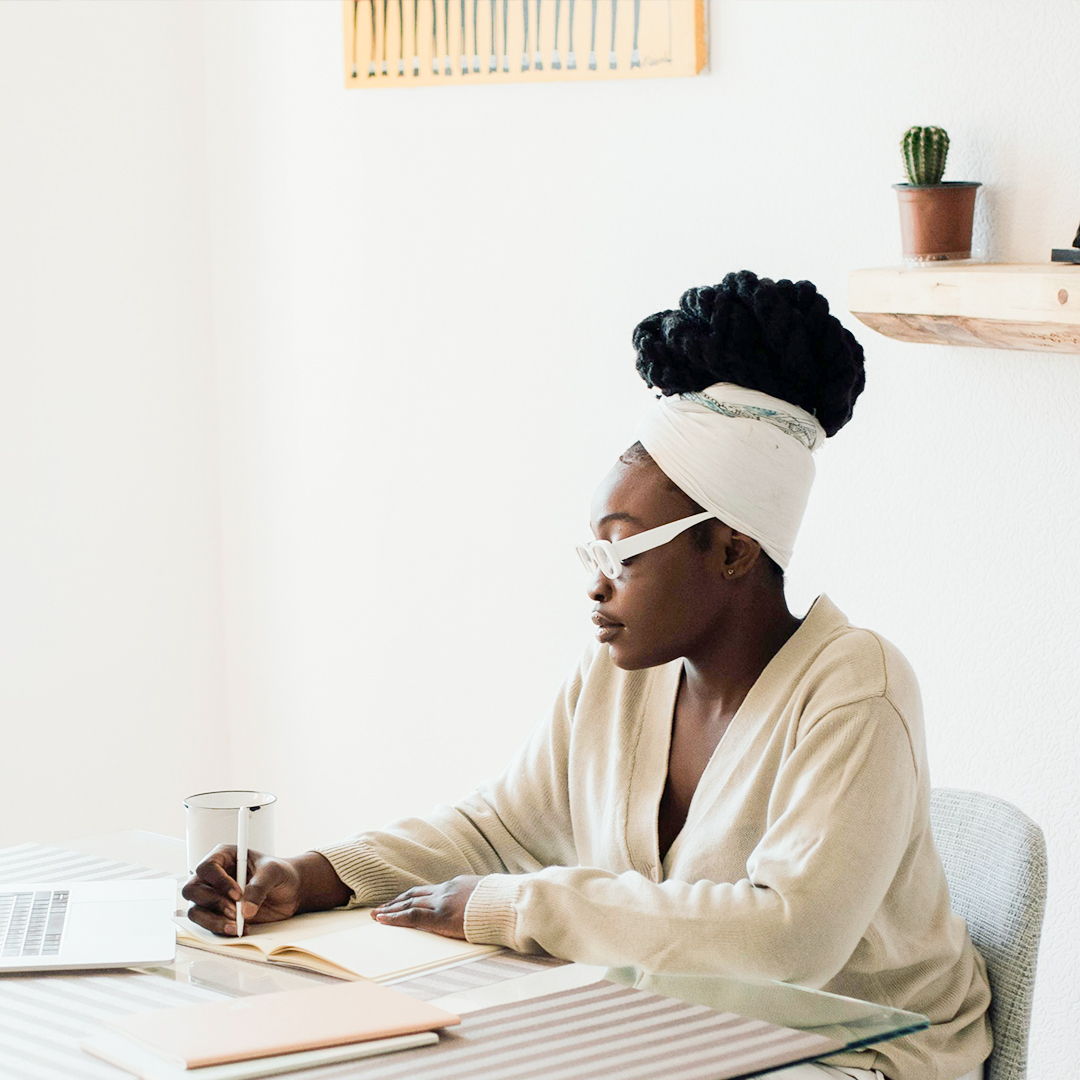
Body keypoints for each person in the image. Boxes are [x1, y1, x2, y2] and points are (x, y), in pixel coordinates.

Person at [184, 271, 991, 1080]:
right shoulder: (622, 676)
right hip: (688, 1032)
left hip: (862, 1054)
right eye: (593, 551)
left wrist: (511, 905)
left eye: (623, 550)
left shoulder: (857, 687)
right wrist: (312, 876)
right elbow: (495, 831)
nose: (596, 583)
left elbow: (789, 940)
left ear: (734, 550)